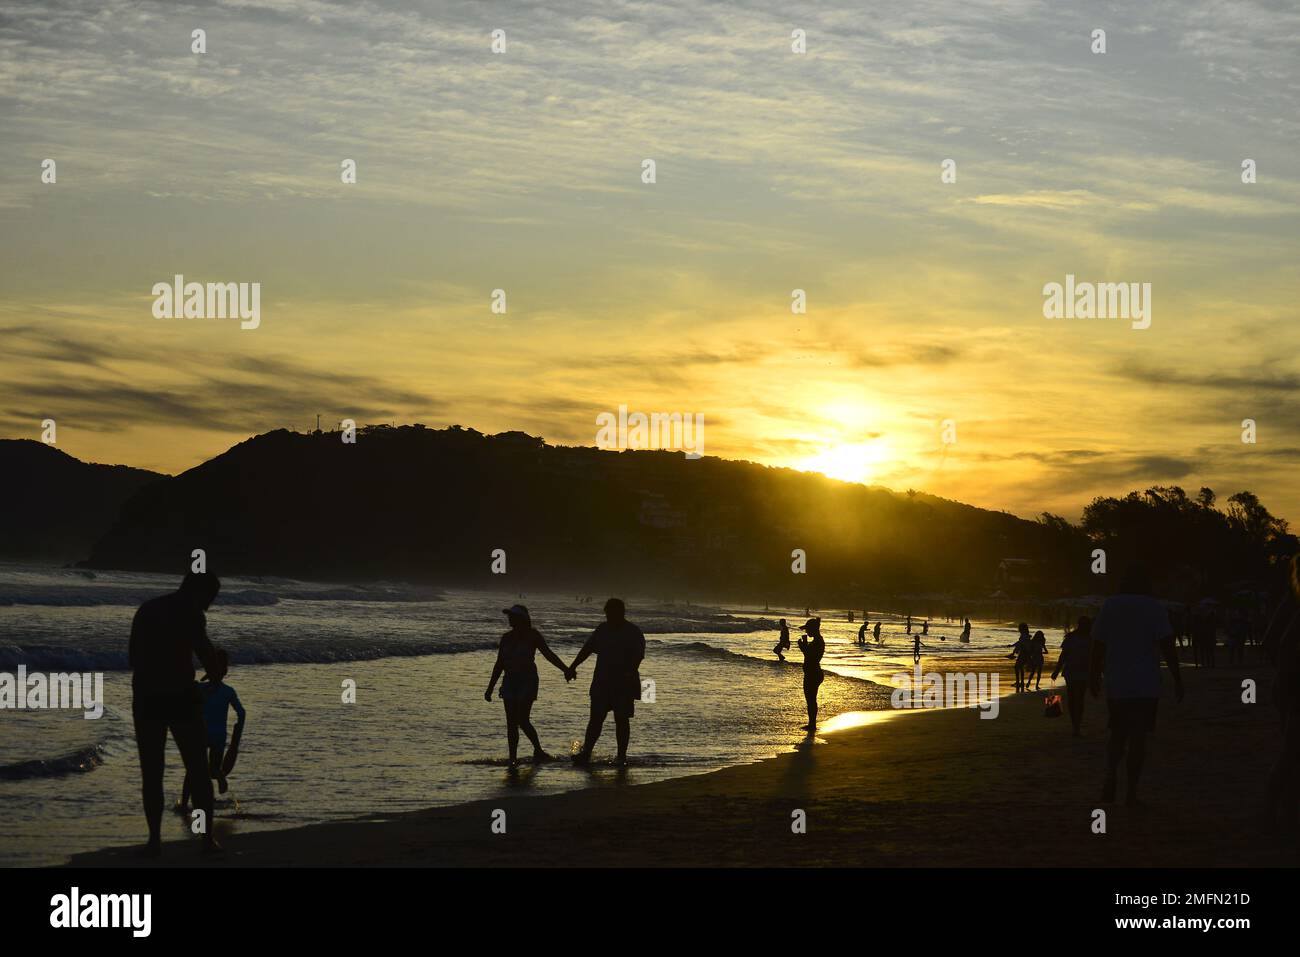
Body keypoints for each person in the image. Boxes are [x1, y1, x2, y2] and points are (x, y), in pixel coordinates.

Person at [129, 571, 224, 857]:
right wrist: (216, 668)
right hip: (181, 695)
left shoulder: (148, 609)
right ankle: (207, 839)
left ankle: (154, 840)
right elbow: (206, 654)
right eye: (210, 597)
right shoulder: (192, 614)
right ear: (199, 591)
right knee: (197, 768)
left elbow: (133, 656)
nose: (209, 604)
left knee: (152, 770)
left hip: (146, 695)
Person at [1089, 565, 1184, 806]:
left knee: (1117, 734)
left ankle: (1111, 775)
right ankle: (1131, 792)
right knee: (1138, 739)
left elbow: (1098, 643)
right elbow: (1167, 646)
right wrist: (1177, 678)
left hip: (1117, 681)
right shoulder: (1154, 607)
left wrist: (1092, 676)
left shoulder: (1111, 605)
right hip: (1146, 683)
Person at [485, 604, 571, 767]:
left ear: (522, 619)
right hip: (510, 681)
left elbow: (548, 654)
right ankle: (513, 758)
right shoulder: (506, 638)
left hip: (528, 680)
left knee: (522, 719)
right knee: (511, 722)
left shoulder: (533, 635)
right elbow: (499, 664)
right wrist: (490, 688)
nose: (509, 618)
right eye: (509, 616)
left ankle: (538, 750)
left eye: (512, 616)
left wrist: (565, 669)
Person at [569, 598, 646, 767]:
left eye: (612, 614)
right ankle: (586, 753)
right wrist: (572, 666)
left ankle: (621, 756)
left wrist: (628, 673)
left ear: (621, 613)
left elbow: (638, 656)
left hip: (624, 684)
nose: (609, 617)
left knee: (622, 720)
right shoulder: (602, 629)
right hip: (602, 682)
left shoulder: (633, 632)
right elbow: (587, 649)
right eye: (607, 614)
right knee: (595, 719)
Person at [178, 649, 245, 811]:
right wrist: (237, 735)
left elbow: (186, 697)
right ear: (225, 671)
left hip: (201, 733)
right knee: (214, 769)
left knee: (192, 771)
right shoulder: (229, 691)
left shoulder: (200, 689)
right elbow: (241, 713)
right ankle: (220, 777)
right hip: (219, 735)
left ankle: (185, 803)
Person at [1051, 616, 1092, 736]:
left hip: (1079, 672)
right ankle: (1076, 725)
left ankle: (1076, 725)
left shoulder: (1086, 638)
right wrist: (1056, 670)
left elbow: (1063, 656)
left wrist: (1056, 671)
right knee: (1076, 699)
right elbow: (1063, 656)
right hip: (1074, 672)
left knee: (1076, 699)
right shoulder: (1086, 638)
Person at [797, 618, 825, 730]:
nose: (806, 632)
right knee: (811, 700)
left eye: (807, 629)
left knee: (811, 700)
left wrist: (803, 648)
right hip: (813, 672)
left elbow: (811, 656)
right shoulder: (817, 641)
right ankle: (812, 723)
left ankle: (812, 724)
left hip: (813, 673)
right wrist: (804, 647)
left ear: (813, 629)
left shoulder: (818, 641)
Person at [1007, 623, 1032, 691]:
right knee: (1020, 667)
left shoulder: (1024, 636)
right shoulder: (1026, 636)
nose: (1018, 629)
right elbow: (1020, 643)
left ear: (1021, 629)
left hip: (1024, 653)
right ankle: (1021, 682)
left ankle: (1018, 682)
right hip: (1025, 653)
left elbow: (1020, 644)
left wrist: (1012, 648)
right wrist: (1013, 647)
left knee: (1016, 667)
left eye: (1019, 628)